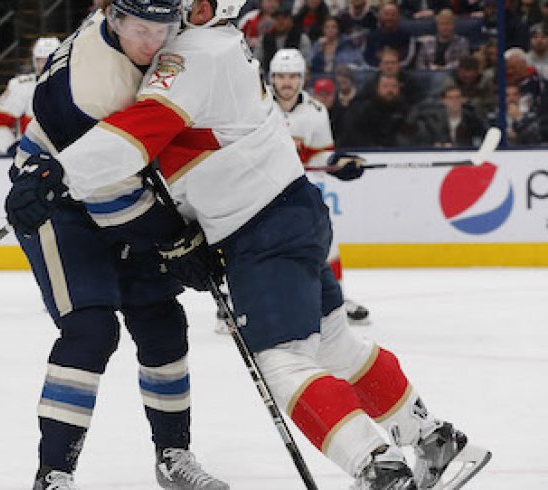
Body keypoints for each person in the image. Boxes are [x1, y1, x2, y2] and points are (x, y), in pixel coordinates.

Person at [34, 0, 491, 488]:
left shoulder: (194, 55)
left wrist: (55, 171)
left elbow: (134, 139)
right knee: (336, 344)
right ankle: (433, 438)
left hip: (260, 230)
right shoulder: (221, 44)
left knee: (283, 360)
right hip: (294, 211)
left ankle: (377, 467)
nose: (183, 8)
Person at [4, 2, 229, 489]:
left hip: (124, 187)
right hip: (58, 200)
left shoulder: (136, 24)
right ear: (111, 19)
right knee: (91, 330)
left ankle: (173, 456)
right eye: (139, 29)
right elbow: (106, 196)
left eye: (163, 29)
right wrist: (174, 241)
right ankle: (54, 474)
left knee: (163, 322)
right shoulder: (92, 87)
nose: (152, 43)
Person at [268, 48, 370, 324]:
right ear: (271, 78)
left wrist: (339, 164)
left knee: (326, 238)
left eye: (292, 76)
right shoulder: (257, 107)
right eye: (280, 76)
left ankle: (337, 298)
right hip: (259, 187)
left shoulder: (316, 111)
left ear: (302, 78)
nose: (286, 83)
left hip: (297, 188)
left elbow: (319, 157)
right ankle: (231, 301)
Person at [0, 36, 60, 156]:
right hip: (35, 160)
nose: (45, 65)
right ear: (35, 61)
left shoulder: (78, 86)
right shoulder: (22, 87)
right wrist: (13, 148)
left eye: (50, 60)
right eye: (41, 60)